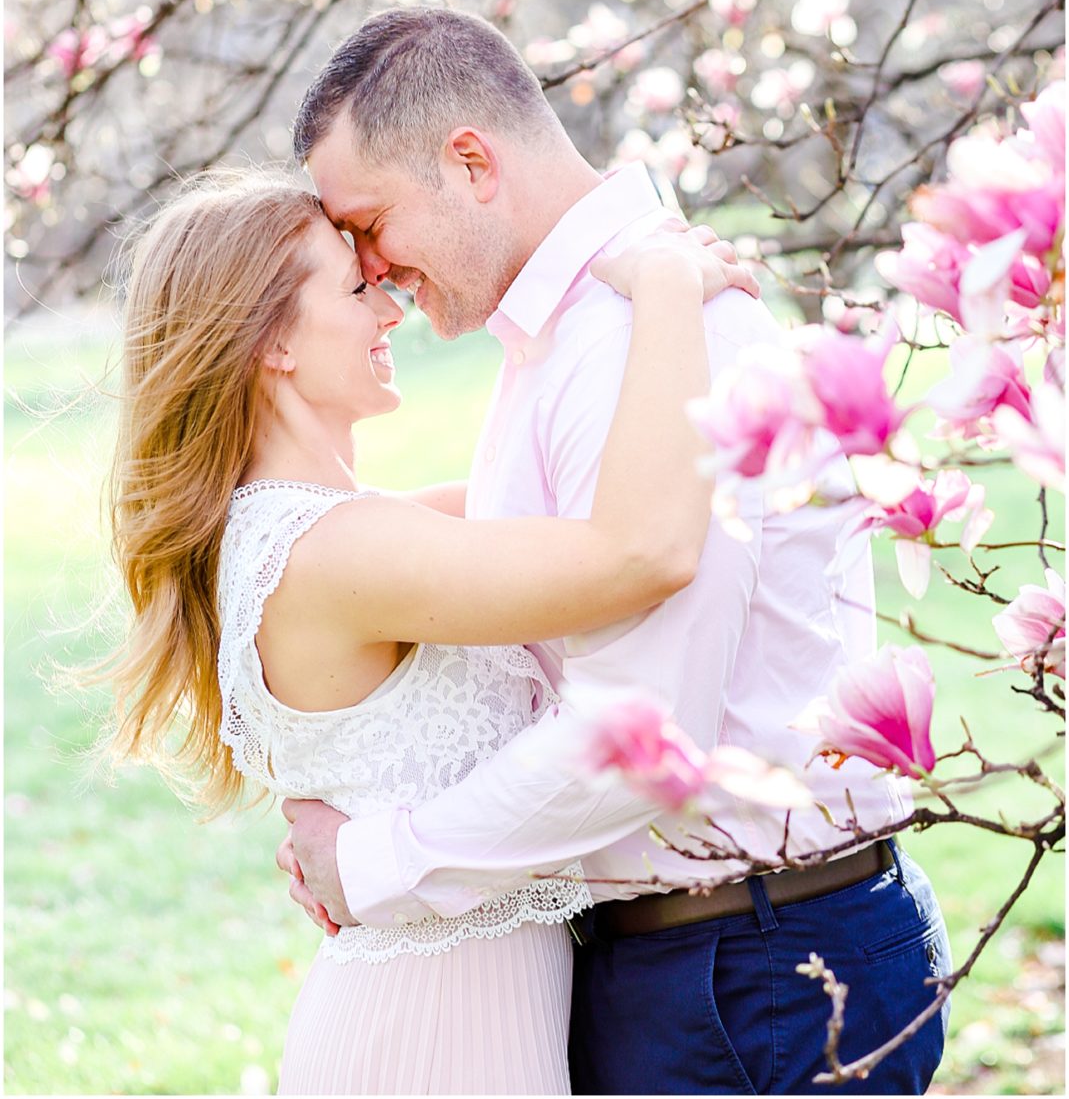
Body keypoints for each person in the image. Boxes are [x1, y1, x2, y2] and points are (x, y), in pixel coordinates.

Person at [281, 5, 952, 1096]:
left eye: (369, 223)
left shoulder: (638, 338)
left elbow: (642, 735)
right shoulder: (578, 333)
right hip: (710, 958)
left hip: (753, 974)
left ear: (468, 162)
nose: (371, 272)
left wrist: (373, 864)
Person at [103, 169, 755, 1095]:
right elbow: (635, 552)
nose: (391, 309)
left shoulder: (337, 529)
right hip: (429, 1041)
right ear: (272, 340)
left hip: (456, 1019)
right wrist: (664, 290)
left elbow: (562, 506)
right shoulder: (339, 550)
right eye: (356, 287)